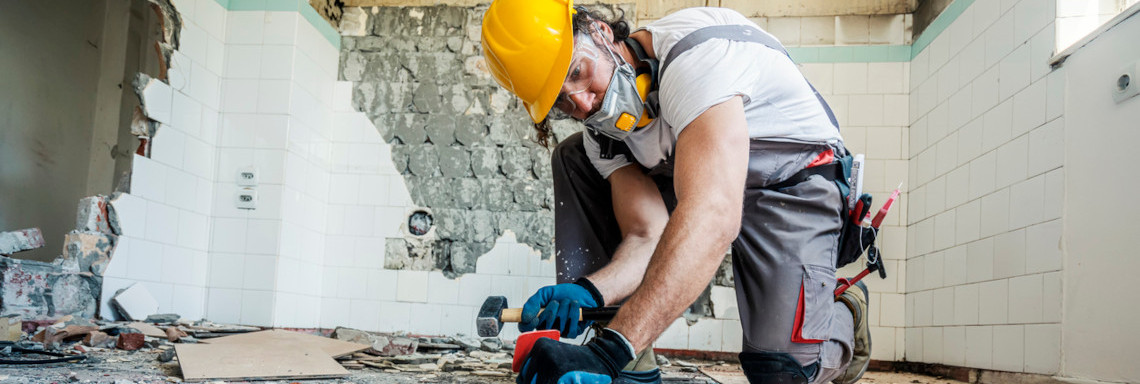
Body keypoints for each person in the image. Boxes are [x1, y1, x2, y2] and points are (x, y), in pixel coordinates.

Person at [480, 2, 871, 383]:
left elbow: (713, 214)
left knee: (783, 371)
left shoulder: (696, 57)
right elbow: (647, 233)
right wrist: (588, 291)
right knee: (574, 155)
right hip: (701, 177)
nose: (581, 101)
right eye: (561, 101)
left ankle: (842, 314)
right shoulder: (603, 136)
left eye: (578, 72)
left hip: (791, 181)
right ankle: (630, 365)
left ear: (599, 31)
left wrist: (611, 351)